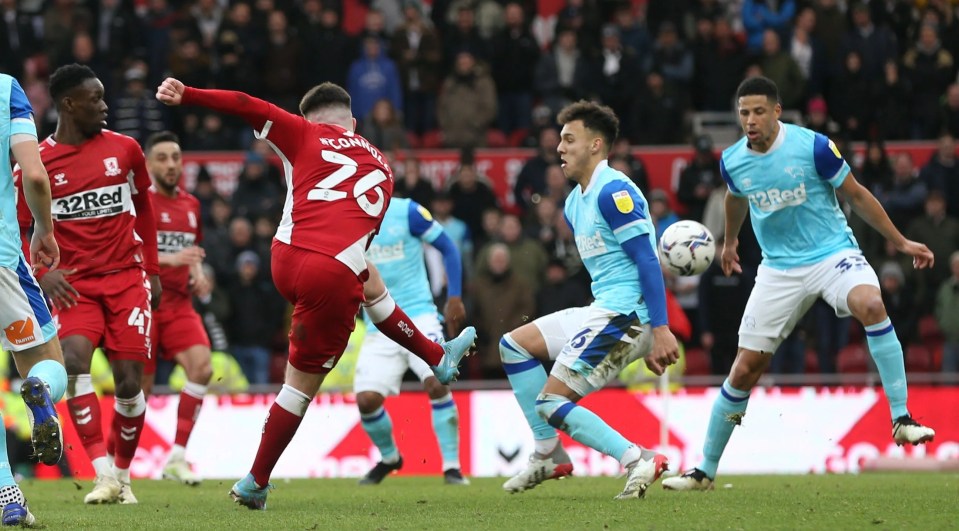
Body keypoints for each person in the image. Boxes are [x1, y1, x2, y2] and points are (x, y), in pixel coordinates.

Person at [155, 77, 476, 510]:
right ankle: (255, 481)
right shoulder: (382, 164)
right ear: (354, 123)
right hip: (331, 274)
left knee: (369, 277)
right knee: (299, 387)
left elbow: (246, 101)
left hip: (285, 258)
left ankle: (437, 357)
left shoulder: (301, 132)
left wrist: (188, 95)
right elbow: (357, 238)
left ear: (309, 119)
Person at [663, 76, 936, 491]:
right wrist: (731, 241)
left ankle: (901, 419)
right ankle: (704, 470)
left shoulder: (814, 147)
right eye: (743, 113)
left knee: (872, 305)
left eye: (758, 111)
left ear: (776, 111)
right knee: (744, 369)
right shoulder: (732, 160)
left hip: (831, 254)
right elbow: (735, 197)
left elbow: (858, 196)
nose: (750, 121)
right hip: (778, 269)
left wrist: (899, 242)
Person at [498, 100, 678, 499]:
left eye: (569, 139)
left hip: (628, 315)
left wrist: (658, 329)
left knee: (549, 402)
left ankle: (637, 458)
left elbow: (647, 260)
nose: (560, 148)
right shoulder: (575, 201)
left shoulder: (614, 191)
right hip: (606, 310)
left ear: (596, 145)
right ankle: (549, 453)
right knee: (513, 346)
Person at [19, 64, 161, 506]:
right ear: (68, 105)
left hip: (127, 279)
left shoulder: (127, 150)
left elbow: (146, 210)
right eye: (95, 99)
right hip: (74, 286)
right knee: (75, 361)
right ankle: (102, 474)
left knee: (128, 383)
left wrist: (153, 271)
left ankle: (122, 475)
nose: (104, 106)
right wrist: (45, 272)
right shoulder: (37, 164)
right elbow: (22, 229)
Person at [355, 196, 469, 486]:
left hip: (418, 315)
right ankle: (390, 457)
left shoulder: (407, 211)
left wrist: (454, 295)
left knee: (436, 381)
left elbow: (447, 247)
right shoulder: (348, 218)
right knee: (367, 400)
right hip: (377, 323)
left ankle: (453, 468)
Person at [0, 72, 69, 526]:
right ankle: (39, 393)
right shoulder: (5, 88)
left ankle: (8, 497)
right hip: (3, 263)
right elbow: (36, 176)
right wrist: (44, 231)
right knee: (49, 365)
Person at [141, 130, 212, 486]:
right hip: (144, 303)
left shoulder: (192, 205)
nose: (172, 165)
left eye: (176, 157)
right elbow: (128, 254)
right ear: (149, 163)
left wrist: (199, 274)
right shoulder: (140, 203)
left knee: (201, 368)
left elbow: (194, 251)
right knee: (138, 392)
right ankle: (112, 465)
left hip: (180, 304)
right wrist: (170, 260)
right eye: (163, 158)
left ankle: (177, 456)